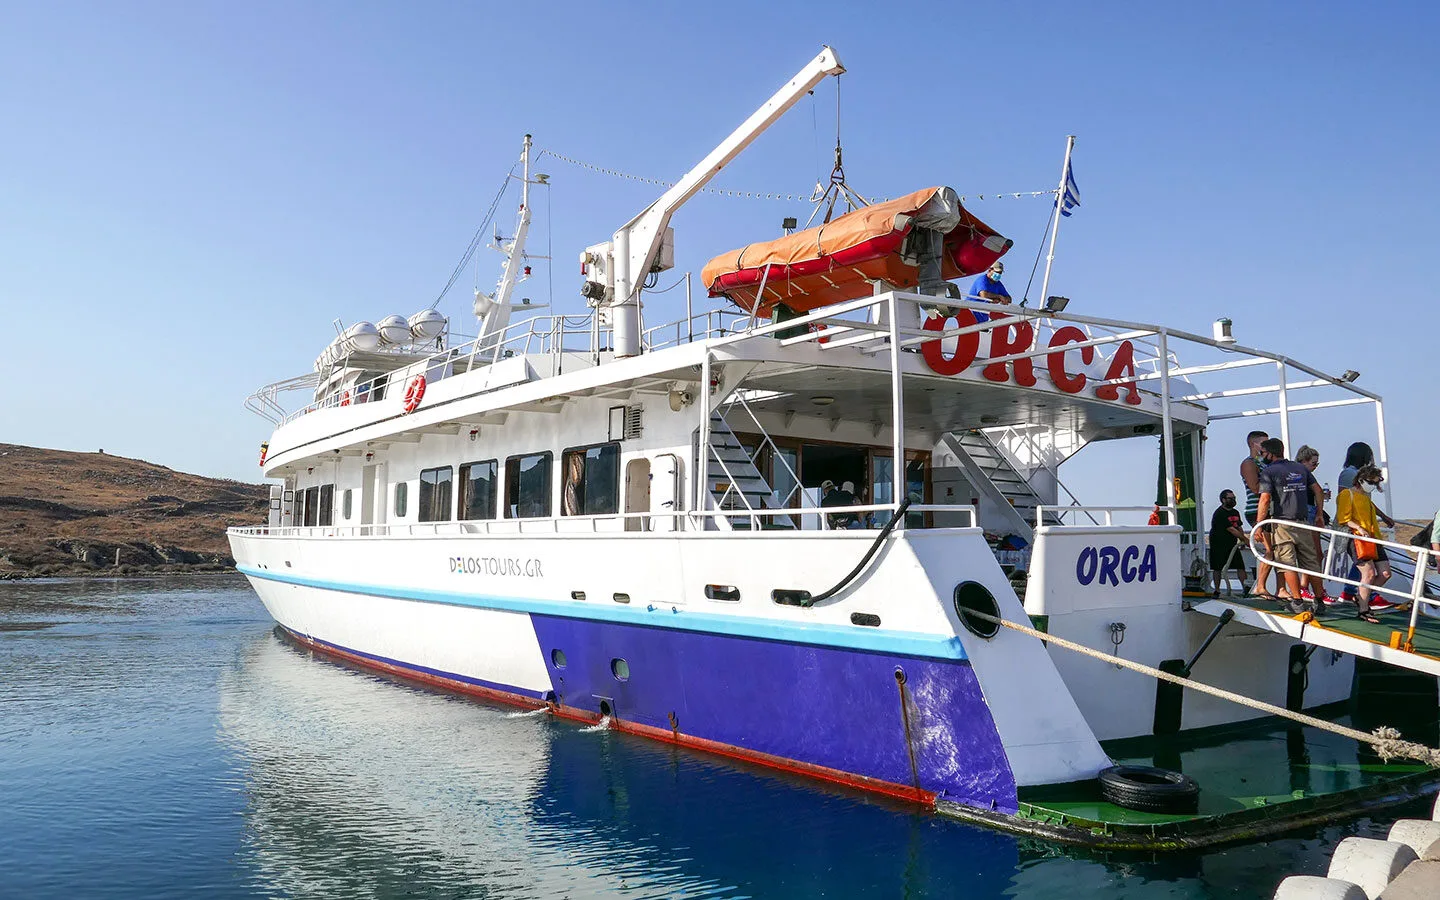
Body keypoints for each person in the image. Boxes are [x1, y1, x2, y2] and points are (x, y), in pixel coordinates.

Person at [1255, 438, 1325, 613]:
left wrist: (1259, 524)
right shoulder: (1300, 468)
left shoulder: (1269, 472)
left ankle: (1297, 601)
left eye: (1263, 453)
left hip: (1282, 523)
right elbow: (1318, 490)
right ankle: (1319, 600)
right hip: (1303, 523)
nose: (1262, 456)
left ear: (1270, 453)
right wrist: (1319, 514)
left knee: (1287, 563)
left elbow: (1264, 499)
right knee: (1311, 563)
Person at [1335, 442, 1396, 603]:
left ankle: (1352, 592)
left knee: (1365, 560)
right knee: (1365, 562)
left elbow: (1366, 501)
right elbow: (1344, 498)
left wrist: (1383, 516)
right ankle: (1368, 597)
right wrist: (1354, 524)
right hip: (1354, 527)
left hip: (1366, 525)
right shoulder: (1349, 474)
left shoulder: (1359, 475)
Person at [1240, 430, 1277, 599]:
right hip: (1256, 510)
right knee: (1270, 550)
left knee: (1275, 549)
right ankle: (1260, 586)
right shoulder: (1248, 463)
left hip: (1269, 510)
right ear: (1253, 444)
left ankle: (1271, 586)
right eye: (1263, 443)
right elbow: (1255, 488)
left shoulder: (1265, 463)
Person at [1295, 445, 1332, 602]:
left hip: (1307, 512)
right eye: (1313, 463)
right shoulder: (1302, 475)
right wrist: (1319, 513)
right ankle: (1311, 589)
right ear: (1304, 461)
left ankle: (1306, 586)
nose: (1315, 467)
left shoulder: (1301, 475)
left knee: (1314, 554)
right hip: (1308, 514)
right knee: (1315, 554)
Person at [1209, 490, 1249, 595]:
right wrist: (1245, 539)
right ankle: (1217, 590)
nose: (1233, 500)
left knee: (1240, 566)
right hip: (1219, 544)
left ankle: (1246, 588)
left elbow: (1238, 526)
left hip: (1232, 545)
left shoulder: (1235, 512)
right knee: (1217, 568)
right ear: (1223, 500)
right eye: (1230, 498)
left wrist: (1242, 540)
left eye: (1234, 498)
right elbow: (1231, 529)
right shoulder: (1219, 513)